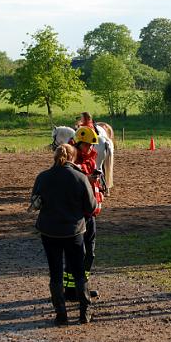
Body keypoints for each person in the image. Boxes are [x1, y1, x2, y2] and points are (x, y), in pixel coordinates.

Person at [31, 143, 98, 325]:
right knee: (78, 271)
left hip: (49, 231)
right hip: (73, 230)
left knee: (55, 273)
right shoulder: (80, 177)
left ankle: (61, 315)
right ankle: (85, 313)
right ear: (72, 157)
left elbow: (35, 203)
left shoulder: (43, 177)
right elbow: (91, 207)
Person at [63, 127, 103, 299]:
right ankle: (71, 290)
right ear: (78, 144)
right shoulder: (70, 162)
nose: (90, 149)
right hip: (78, 215)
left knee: (90, 253)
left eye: (91, 145)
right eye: (87, 145)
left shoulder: (90, 161)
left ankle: (82, 286)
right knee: (77, 253)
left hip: (90, 213)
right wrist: (87, 179)